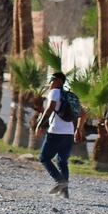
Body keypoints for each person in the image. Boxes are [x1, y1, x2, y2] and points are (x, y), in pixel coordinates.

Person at [36, 71, 76, 199]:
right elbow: (83, 113)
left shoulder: (54, 92)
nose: (50, 83)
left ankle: (59, 181)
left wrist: (39, 125)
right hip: (69, 132)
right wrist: (79, 129)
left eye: (52, 80)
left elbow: (50, 109)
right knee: (62, 161)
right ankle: (64, 192)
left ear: (58, 81)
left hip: (56, 131)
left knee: (44, 158)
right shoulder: (70, 95)